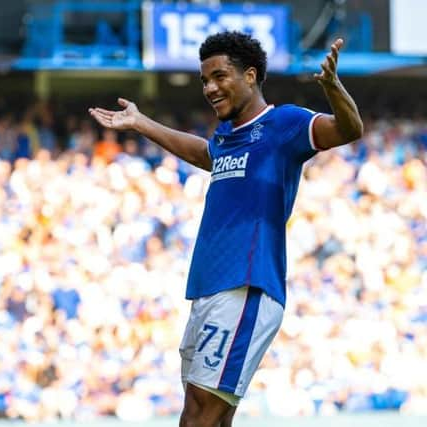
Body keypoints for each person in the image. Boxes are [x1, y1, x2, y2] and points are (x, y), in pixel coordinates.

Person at [89, 31, 363, 427]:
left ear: (250, 76)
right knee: (210, 417)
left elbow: (349, 129)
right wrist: (142, 124)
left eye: (219, 76)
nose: (210, 88)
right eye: (204, 80)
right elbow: (206, 153)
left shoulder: (284, 123)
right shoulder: (227, 137)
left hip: (246, 284)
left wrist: (333, 88)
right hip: (208, 289)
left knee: (199, 415)